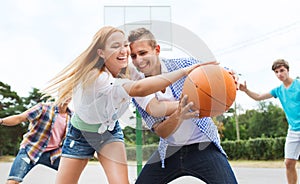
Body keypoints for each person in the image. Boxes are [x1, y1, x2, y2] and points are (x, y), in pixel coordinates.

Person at [40, 26, 202, 184]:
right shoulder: (96, 76)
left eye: (125, 45)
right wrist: (184, 71)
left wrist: (186, 104)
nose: (123, 50)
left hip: (109, 133)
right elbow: (138, 89)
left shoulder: (131, 71)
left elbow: (155, 108)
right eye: (115, 46)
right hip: (81, 134)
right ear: (101, 53)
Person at [128, 27, 238, 184]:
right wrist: (179, 114)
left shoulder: (184, 66)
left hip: (202, 145)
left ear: (156, 50)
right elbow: (161, 131)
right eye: (133, 56)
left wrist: (232, 77)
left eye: (143, 53)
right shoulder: (140, 89)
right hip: (169, 150)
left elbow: (217, 74)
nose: (138, 60)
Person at [239, 59, 300, 184]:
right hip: (293, 130)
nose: (279, 74)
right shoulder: (278, 90)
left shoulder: (298, 85)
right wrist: (246, 90)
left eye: (282, 70)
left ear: (288, 70)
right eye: (276, 72)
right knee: (289, 163)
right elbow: (259, 97)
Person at [0, 98, 72, 184]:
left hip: (53, 154)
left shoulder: (71, 116)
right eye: (65, 93)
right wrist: (1, 121)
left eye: (70, 94)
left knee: (72, 175)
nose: (67, 97)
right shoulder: (44, 108)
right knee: (13, 182)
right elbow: (20, 118)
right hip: (30, 150)